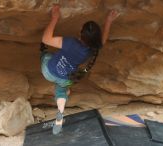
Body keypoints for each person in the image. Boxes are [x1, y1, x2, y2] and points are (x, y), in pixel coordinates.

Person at [41, 4, 119, 135]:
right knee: (61, 90)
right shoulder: (92, 50)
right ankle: (60, 111)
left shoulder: (71, 42)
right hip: (66, 79)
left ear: (80, 33)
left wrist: (54, 18)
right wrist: (108, 21)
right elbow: (102, 41)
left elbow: (45, 39)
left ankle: (45, 57)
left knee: (46, 55)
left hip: (48, 71)